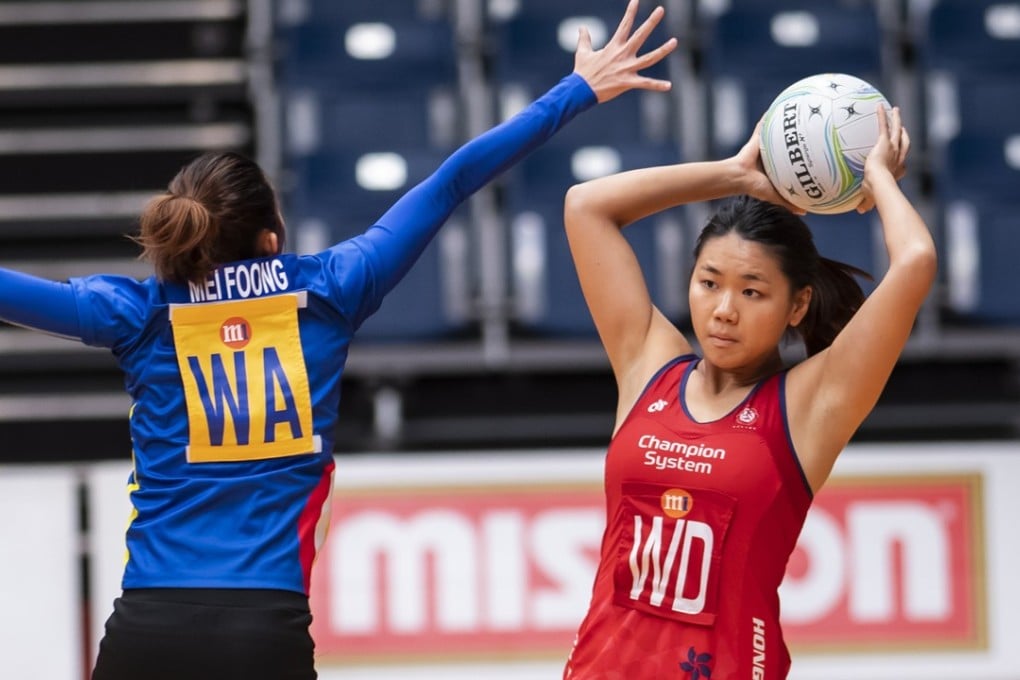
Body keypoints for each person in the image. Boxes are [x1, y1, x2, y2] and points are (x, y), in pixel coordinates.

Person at [0, 4, 676, 679]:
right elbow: (452, 181)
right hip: (263, 631)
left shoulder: (137, 312)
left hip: (147, 628)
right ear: (271, 238)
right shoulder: (331, 288)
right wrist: (578, 89)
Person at [560, 104, 936, 679]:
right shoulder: (648, 364)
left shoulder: (808, 406)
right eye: (708, 283)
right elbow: (586, 207)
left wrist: (877, 177)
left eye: (753, 292)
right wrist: (734, 175)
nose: (724, 310)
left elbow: (914, 261)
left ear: (797, 306)